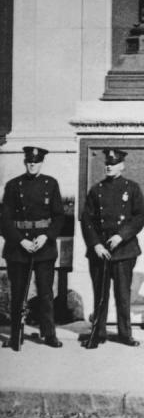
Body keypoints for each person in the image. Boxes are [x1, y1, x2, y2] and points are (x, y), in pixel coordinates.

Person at [80, 148, 144, 347]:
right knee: (100, 294)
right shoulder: (96, 189)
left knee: (122, 294)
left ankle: (125, 334)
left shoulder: (132, 188)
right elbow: (87, 220)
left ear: (122, 166)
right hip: (100, 251)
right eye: (107, 164)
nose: (109, 166)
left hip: (124, 250)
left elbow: (139, 217)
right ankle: (98, 332)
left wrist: (121, 235)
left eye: (114, 163)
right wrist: (96, 245)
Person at [1, 147, 65, 350]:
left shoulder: (51, 184)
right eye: (29, 161)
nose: (32, 164)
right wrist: (21, 241)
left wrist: (47, 236)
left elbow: (59, 216)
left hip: (44, 247)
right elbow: (4, 220)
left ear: (41, 163)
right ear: (25, 162)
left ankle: (49, 334)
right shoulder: (13, 186)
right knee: (18, 293)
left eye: (35, 162)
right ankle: (15, 335)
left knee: (46, 293)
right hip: (19, 247)